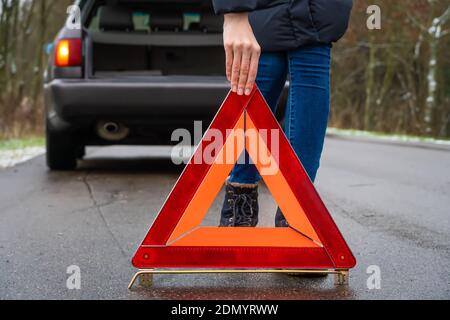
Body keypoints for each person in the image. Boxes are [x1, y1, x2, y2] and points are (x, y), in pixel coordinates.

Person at [212, 0, 353, 227]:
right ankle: (294, 220)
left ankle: (245, 217)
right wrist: (234, 13)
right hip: (278, 16)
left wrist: (234, 11)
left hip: (300, 15)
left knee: (264, 80)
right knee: (260, 82)